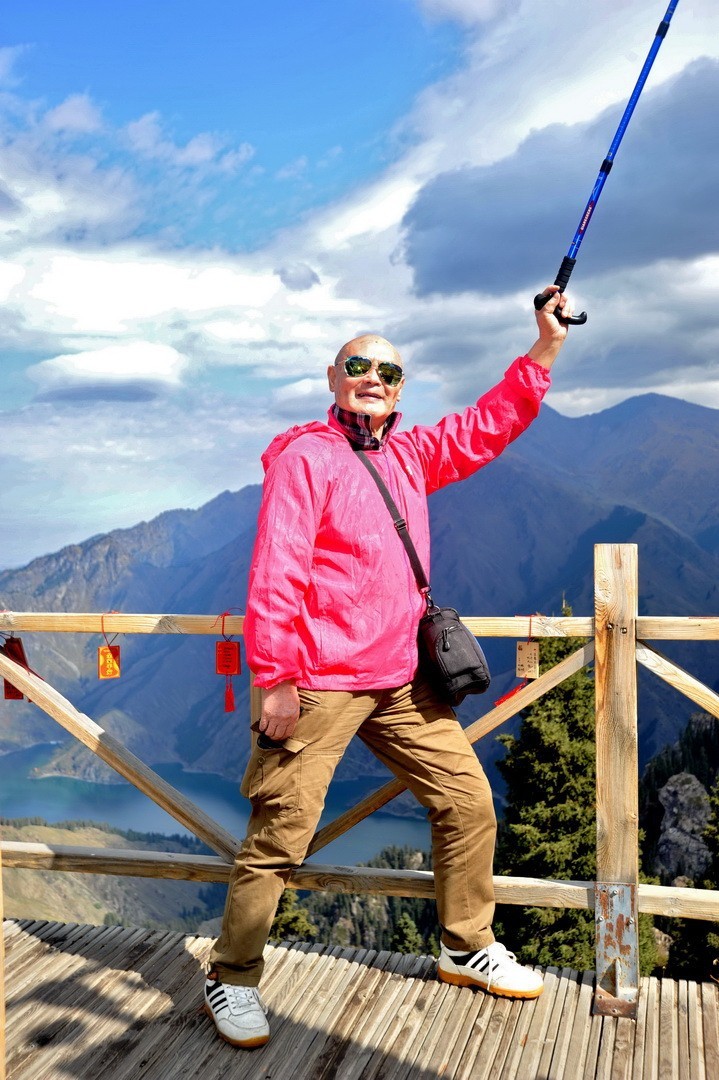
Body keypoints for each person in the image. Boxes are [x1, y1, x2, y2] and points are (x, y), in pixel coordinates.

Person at [204, 286, 572, 1048]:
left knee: (468, 802)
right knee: (280, 835)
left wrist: (543, 347)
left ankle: (464, 944)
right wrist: (273, 678)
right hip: (318, 683)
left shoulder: (409, 454)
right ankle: (230, 976)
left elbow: (488, 425)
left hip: (402, 680)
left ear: (400, 389)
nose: (374, 377)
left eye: (389, 372)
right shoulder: (305, 458)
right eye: (359, 365)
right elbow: (276, 573)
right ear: (334, 377)